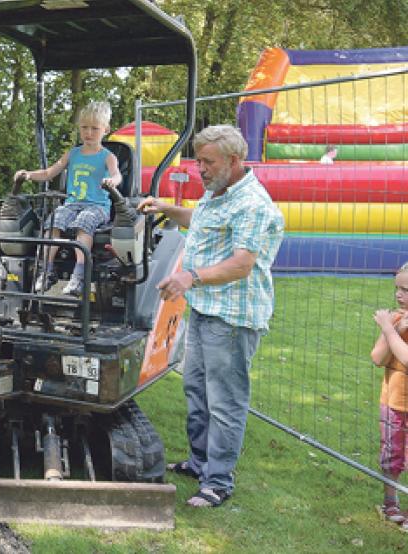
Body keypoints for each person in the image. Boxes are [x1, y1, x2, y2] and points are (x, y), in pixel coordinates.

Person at [137, 125, 285, 508]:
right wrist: (167, 208)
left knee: (225, 400)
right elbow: (201, 221)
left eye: (207, 161)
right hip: (204, 308)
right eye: (198, 159)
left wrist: (191, 276)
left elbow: (241, 263)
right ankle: (200, 462)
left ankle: (218, 482)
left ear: (233, 161)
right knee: (196, 389)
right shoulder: (217, 191)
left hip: (232, 318)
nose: (199, 167)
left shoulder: (251, 203)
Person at [14, 101, 122, 296]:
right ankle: (46, 271)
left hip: (97, 206)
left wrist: (111, 181)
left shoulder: (108, 157)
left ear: (105, 130)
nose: (88, 132)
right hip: (72, 204)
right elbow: (49, 172)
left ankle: (79, 276)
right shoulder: (72, 154)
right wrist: (28, 174)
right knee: (54, 220)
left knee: (84, 222)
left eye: (94, 128)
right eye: (84, 128)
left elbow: (117, 175)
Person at [370, 261, 408, 530]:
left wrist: (389, 329)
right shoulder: (395, 319)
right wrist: (394, 327)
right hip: (393, 402)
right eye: (397, 288)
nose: (399, 295)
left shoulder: (390, 324)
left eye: (406, 290)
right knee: (392, 453)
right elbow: (377, 358)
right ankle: (390, 502)